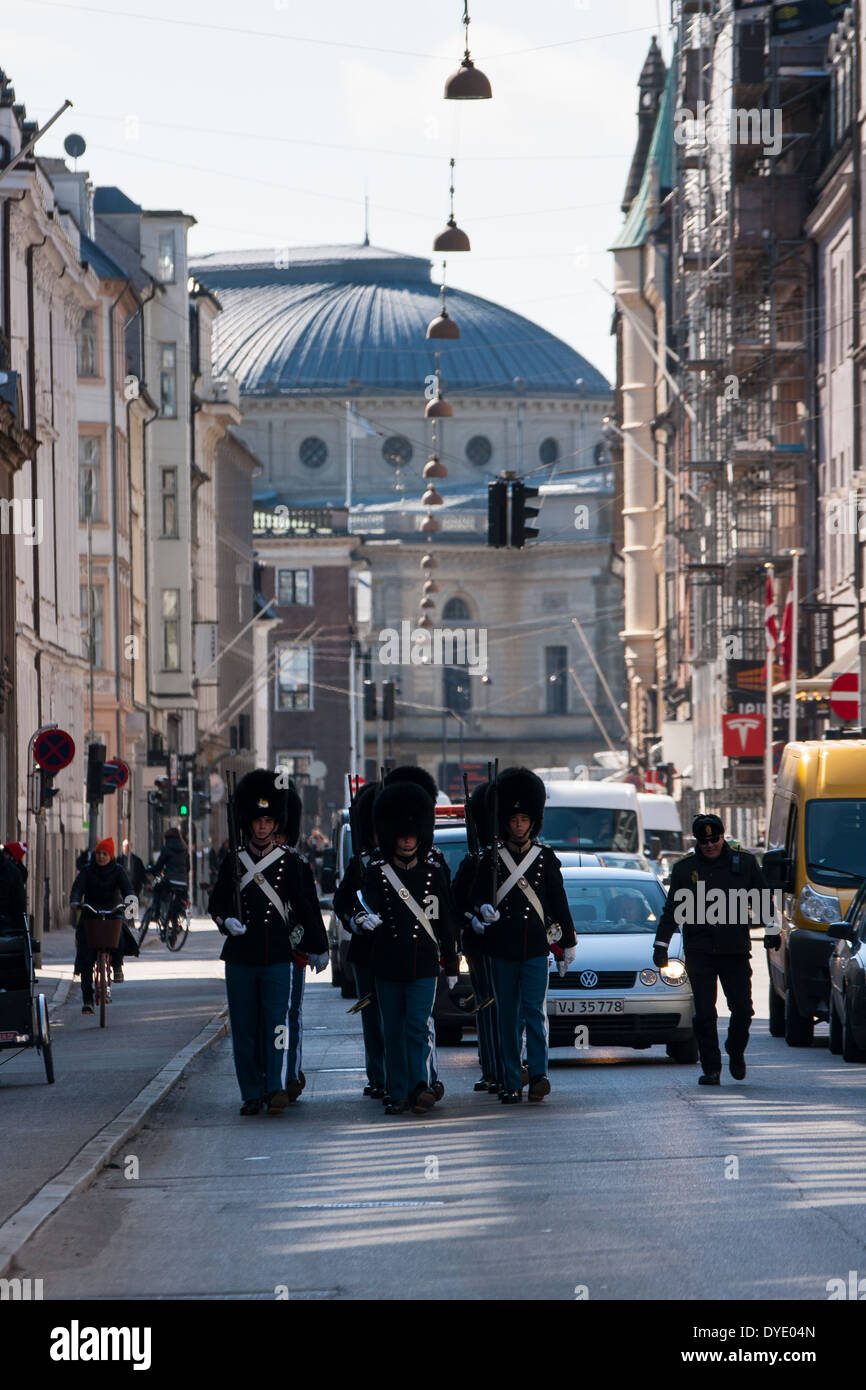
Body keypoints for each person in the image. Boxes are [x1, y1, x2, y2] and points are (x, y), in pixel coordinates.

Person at [208, 770, 328, 1116]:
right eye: (257, 821)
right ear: (248, 822)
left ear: (276, 824)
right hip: (241, 956)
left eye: (268, 821)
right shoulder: (233, 861)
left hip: (277, 954)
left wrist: (319, 945)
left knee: (277, 1023)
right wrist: (225, 921)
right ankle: (251, 1091)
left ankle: (275, 1086)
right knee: (245, 1028)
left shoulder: (291, 862)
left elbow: (305, 906)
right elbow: (217, 904)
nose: (262, 827)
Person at [469, 767, 577, 1104]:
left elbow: (558, 901)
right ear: (505, 821)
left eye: (524, 819)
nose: (518, 825)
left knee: (535, 1012)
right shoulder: (490, 859)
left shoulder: (545, 858)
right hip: (501, 947)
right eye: (513, 819)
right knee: (507, 1017)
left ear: (534, 822)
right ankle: (511, 1079)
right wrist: (482, 910)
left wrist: (568, 942)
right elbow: (475, 896)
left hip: (533, 946)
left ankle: (540, 1074)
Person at [353, 780, 459, 1116]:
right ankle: (397, 1091)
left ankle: (420, 1085)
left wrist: (453, 965)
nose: (407, 840)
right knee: (393, 1030)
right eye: (401, 835)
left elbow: (447, 923)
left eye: (412, 835)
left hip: (423, 964)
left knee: (417, 1026)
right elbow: (361, 905)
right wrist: (361, 919)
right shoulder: (377, 873)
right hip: (386, 962)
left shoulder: (433, 873)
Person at [653, 813, 772, 1085]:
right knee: (705, 1013)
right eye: (703, 841)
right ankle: (711, 1068)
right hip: (700, 951)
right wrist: (661, 945)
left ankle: (735, 1050)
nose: (709, 845)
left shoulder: (744, 863)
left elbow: (764, 898)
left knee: (743, 1009)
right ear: (697, 841)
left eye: (714, 839)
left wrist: (772, 933)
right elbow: (672, 910)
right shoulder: (685, 869)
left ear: (723, 836)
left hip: (734, 949)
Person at [333, 781, 387, 1099]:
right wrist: (356, 918)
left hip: (398, 949)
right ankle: (377, 1074)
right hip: (367, 950)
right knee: (372, 1015)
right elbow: (343, 901)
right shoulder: (361, 863)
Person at [453, 781, 501, 1095]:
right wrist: (473, 918)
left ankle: (511, 1065)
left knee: (513, 1010)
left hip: (513, 946)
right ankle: (491, 1065)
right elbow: (457, 903)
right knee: (488, 1008)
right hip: (481, 945)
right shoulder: (475, 862)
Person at [70, 838, 139, 1012]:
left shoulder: (118, 871)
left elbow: (128, 889)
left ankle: (117, 965)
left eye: (105, 854)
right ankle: (88, 1000)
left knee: (120, 934)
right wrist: (76, 901)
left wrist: (130, 904)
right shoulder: (87, 870)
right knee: (86, 957)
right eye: (99, 853)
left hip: (112, 911)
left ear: (111, 855)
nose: (101, 857)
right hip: (90, 912)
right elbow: (77, 887)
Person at [151, 825, 190, 925]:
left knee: (157, 888)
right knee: (176, 903)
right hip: (183, 882)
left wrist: (151, 870)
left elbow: (159, 864)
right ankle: (174, 929)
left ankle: (156, 913)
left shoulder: (167, 847)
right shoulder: (185, 849)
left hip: (170, 880)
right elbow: (188, 867)